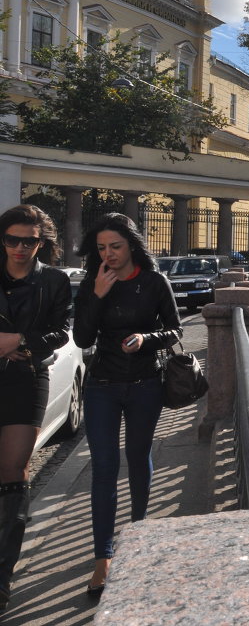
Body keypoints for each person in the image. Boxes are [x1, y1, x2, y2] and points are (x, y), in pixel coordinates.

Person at [73, 213, 182, 598]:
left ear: (132, 245)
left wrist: (146, 338)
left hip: (144, 385)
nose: (109, 254)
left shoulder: (154, 281)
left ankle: (138, 535)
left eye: (115, 247)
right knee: (104, 468)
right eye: (102, 248)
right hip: (102, 385)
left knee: (138, 458)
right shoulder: (94, 282)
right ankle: (102, 559)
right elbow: (81, 336)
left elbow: (175, 330)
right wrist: (98, 295)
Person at [0, 205, 70, 614]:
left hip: (27, 377)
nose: (20, 247)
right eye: (12, 239)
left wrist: (20, 342)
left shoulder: (55, 281)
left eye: (30, 240)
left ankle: (3, 575)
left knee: (13, 470)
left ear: (42, 242)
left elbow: (62, 330)